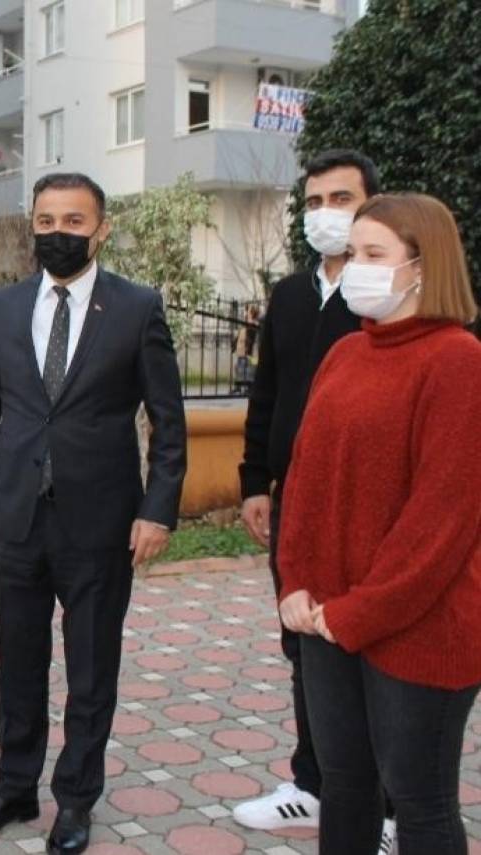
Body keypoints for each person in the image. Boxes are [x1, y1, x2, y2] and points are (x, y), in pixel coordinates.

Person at [0, 173, 187, 855]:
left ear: (101, 229)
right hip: (16, 518)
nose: (59, 233)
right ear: (32, 225)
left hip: (102, 522)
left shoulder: (137, 308)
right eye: (46, 221)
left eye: (74, 221)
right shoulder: (3, 306)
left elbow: (168, 423)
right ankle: (13, 786)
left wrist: (158, 510)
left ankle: (77, 798)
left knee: (90, 670)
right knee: (18, 664)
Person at [277, 193, 480, 855]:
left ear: (423, 266)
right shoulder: (345, 354)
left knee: (419, 802)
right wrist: (296, 582)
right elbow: (305, 481)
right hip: (326, 620)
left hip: (420, 623)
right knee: (344, 784)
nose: (354, 266)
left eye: (373, 254)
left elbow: (441, 520)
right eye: (352, 251)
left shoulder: (459, 361)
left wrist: (358, 611)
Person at [234, 149, 384, 836]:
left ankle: (383, 806)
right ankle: (313, 783)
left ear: (372, 204)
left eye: (341, 199)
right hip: (293, 495)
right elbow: (266, 390)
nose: (326, 213)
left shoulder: (382, 293)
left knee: (366, 647)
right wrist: (253, 481)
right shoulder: (291, 295)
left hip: (364, 501)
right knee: (302, 641)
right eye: (316, 201)